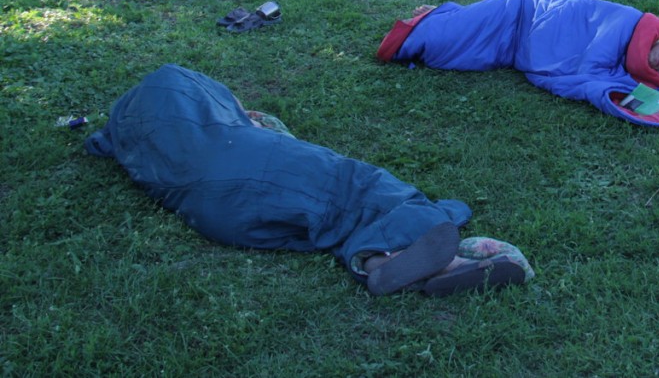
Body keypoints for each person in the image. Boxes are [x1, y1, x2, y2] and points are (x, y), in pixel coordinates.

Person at [84, 64, 533, 296]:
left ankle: (388, 259)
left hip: (213, 213)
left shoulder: (130, 135)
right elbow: (242, 118)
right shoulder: (174, 80)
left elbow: (110, 145)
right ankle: (398, 254)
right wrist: (244, 119)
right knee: (356, 187)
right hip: (239, 165)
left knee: (326, 216)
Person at [378, 0, 659, 126]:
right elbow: (593, 66)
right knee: (430, 41)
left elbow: (587, 85)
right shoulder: (627, 21)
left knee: (449, 55)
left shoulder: (625, 71)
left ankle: (444, 14)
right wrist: (656, 87)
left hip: (515, 50)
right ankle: (437, 18)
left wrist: (655, 91)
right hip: (527, 11)